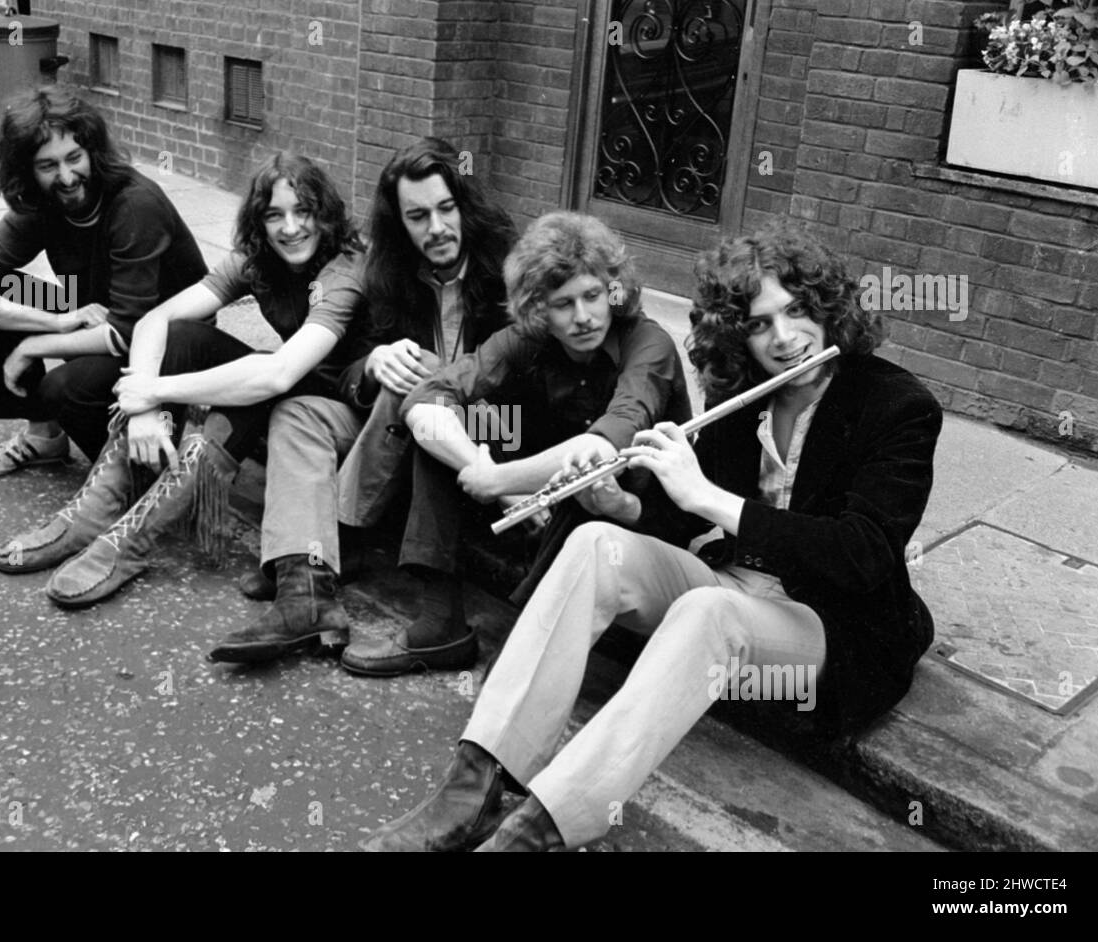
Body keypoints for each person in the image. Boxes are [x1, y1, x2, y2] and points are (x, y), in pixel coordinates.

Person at [363, 225, 943, 851]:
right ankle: (473, 786)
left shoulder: (897, 405)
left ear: (827, 307)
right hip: (737, 583)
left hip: (831, 625)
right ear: (737, 332)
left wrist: (711, 498)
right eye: (758, 323)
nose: (784, 339)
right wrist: (623, 504)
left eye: (798, 312)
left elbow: (863, 555)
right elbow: (684, 525)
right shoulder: (745, 394)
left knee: (708, 611)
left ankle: (545, 827)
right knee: (595, 545)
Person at [0, 153, 367, 617]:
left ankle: (134, 541)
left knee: (256, 381)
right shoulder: (258, 260)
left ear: (324, 214)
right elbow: (157, 318)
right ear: (259, 221)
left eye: (303, 211)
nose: (289, 228)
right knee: (186, 337)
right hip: (295, 386)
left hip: (349, 416)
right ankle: (96, 512)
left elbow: (279, 374)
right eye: (274, 215)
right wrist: (146, 403)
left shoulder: (345, 271)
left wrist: (159, 391)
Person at [205, 136, 517, 666]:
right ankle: (305, 589)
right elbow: (348, 369)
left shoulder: (508, 269)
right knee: (301, 411)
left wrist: (444, 382)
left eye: (447, 209)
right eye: (418, 216)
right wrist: (372, 365)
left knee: (423, 400)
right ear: (400, 222)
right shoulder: (390, 274)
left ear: (466, 206)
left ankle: (388, 581)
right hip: (395, 426)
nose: (436, 228)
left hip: (493, 430)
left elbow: (528, 368)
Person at [337, 211, 691, 678]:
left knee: (581, 476)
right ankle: (441, 621)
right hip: (540, 486)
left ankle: (530, 650)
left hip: (634, 508)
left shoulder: (649, 343)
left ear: (614, 291)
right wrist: (500, 485)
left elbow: (603, 450)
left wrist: (497, 477)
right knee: (449, 424)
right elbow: (426, 399)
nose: (583, 317)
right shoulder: (528, 338)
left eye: (593, 296)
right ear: (540, 307)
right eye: (564, 304)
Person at [0, 86, 207, 475]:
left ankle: (130, 472)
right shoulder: (40, 205)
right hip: (97, 318)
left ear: (92, 153)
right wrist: (54, 322)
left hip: (170, 340)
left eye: (74, 158)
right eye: (48, 166)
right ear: (28, 170)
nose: (66, 177)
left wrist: (34, 345)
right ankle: (44, 437)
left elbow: (127, 329)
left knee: (62, 387)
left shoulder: (134, 205)